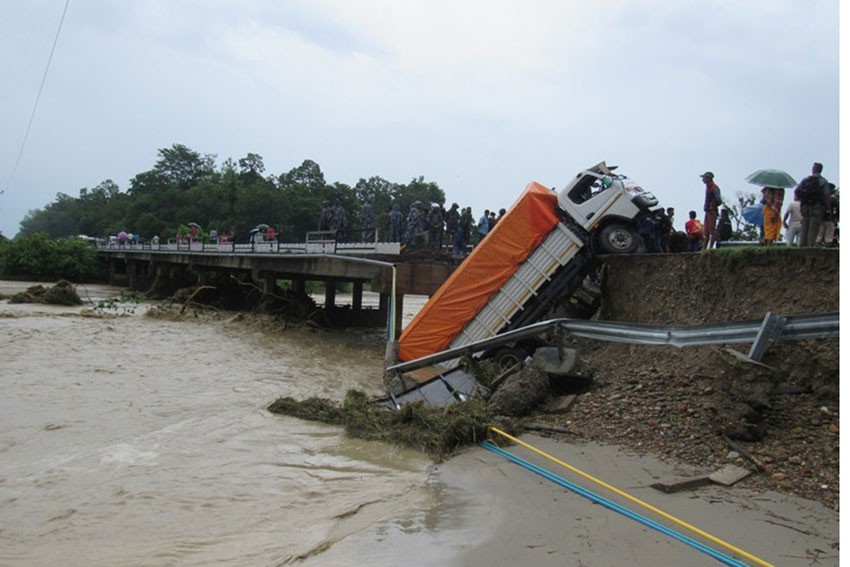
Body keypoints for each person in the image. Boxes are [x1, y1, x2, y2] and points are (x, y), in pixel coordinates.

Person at [797, 162, 829, 246]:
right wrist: (828, 208)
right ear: (821, 170)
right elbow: (826, 196)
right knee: (813, 226)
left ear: (813, 169)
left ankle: (802, 244)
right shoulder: (823, 181)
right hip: (817, 206)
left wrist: (802, 200)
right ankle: (810, 245)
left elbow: (797, 191)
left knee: (805, 225)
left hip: (805, 206)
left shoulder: (805, 180)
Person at [700, 171, 722, 250]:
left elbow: (719, 200)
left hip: (712, 211)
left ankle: (710, 247)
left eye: (704, 178)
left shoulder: (714, 187)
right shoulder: (708, 187)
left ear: (708, 178)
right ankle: (704, 248)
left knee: (712, 229)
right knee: (706, 231)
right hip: (707, 211)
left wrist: (712, 206)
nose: (702, 179)